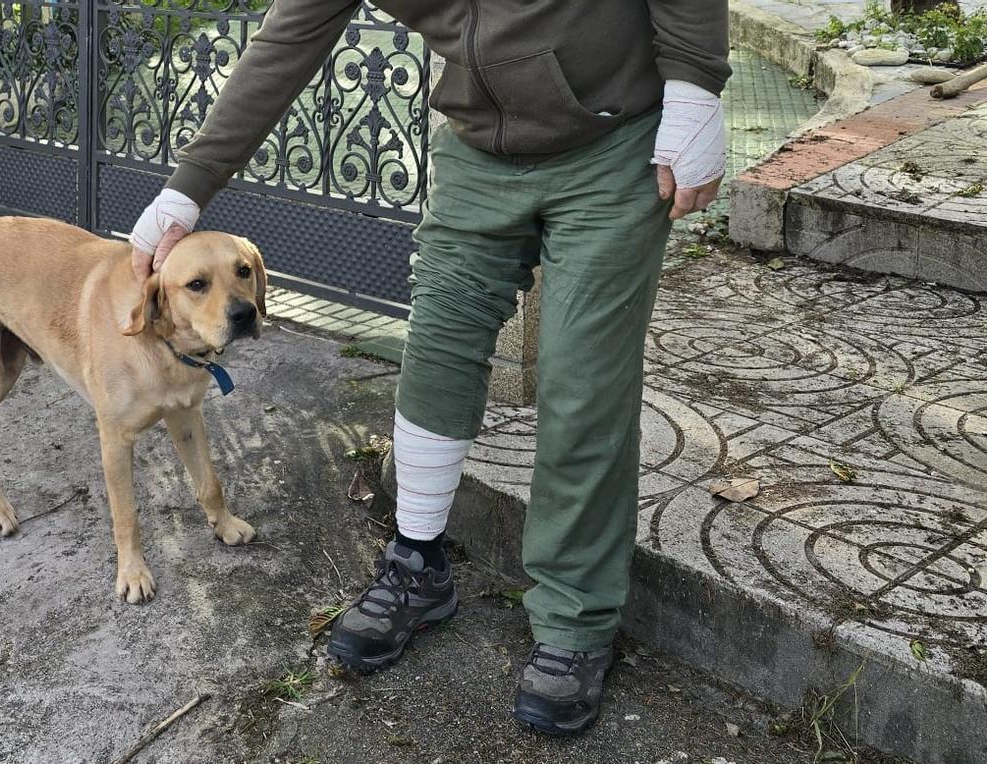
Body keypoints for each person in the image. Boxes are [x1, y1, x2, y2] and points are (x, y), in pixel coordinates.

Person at [130, 1, 730, 735]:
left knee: (584, 384)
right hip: (480, 146)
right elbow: (291, 35)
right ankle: (417, 567)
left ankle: (575, 619)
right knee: (438, 351)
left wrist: (696, 82)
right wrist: (186, 187)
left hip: (612, 142)